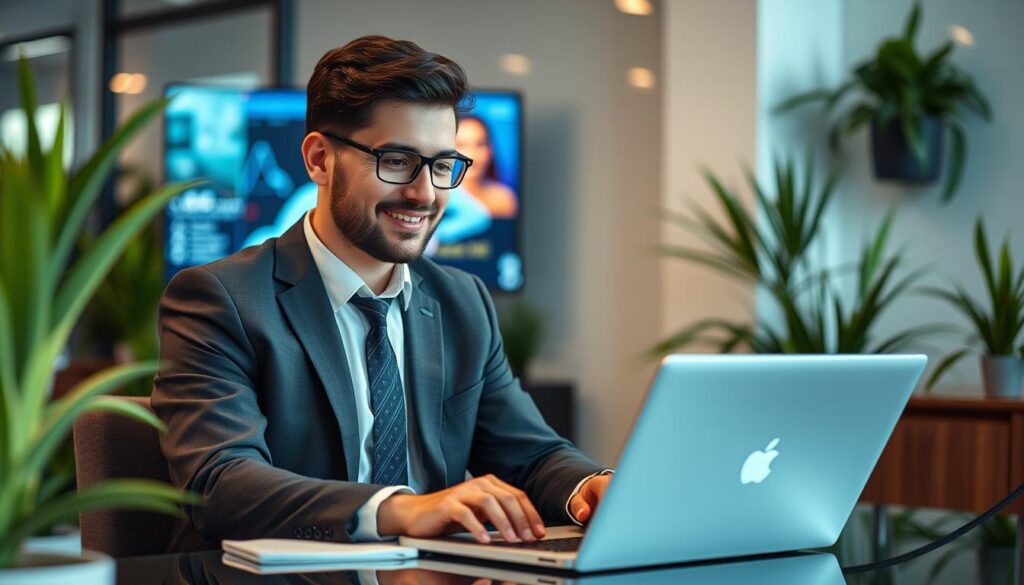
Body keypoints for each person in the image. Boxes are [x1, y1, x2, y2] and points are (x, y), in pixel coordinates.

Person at [153, 35, 610, 552]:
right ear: (319, 160)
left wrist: (591, 488)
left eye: (443, 166)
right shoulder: (221, 299)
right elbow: (219, 483)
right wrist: (399, 509)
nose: (425, 193)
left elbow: (530, 455)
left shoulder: (463, 302)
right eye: (396, 160)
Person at [454, 115, 518, 218]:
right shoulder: (436, 196)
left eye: (480, 144)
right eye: (461, 145)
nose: (472, 155)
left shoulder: (504, 199)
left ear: (491, 150)